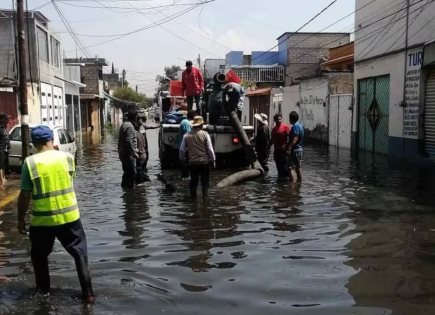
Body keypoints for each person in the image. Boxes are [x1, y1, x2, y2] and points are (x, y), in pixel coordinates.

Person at [16, 125, 95, 303]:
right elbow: (68, 180)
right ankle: (88, 295)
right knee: (80, 254)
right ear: (51, 139)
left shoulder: (30, 163)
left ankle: (43, 293)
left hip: (42, 220)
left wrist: (20, 220)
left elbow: (25, 195)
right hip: (70, 218)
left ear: (33, 143)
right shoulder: (68, 158)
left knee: (39, 256)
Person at [179, 116, 216, 199]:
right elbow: (210, 149)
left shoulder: (186, 135)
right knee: (205, 183)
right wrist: (213, 160)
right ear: (201, 125)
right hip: (204, 163)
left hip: (193, 163)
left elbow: (182, 150)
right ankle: (205, 200)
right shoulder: (205, 134)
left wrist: (183, 160)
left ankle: (193, 201)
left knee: (193, 183)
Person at [118, 106, 139, 189]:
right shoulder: (130, 126)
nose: (137, 119)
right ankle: (130, 193)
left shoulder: (124, 124)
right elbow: (128, 140)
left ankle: (125, 191)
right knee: (132, 173)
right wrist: (133, 152)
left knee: (126, 172)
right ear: (134, 117)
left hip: (123, 153)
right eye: (137, 118)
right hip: (128, 154)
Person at [270, 113, 290, 178]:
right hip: (276, 151)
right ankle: (280, 182)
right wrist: (268, 147)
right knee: (278, 168)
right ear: (275, 120)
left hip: (284, 151)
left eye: (280, 119)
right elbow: (272, 140)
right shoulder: (273, 130)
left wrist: (288, 147)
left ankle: (285, 183)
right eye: (277, 119)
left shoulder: (285, 127)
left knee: (285, 168)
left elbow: (290, 138)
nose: (279, 121)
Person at [177, 110, 195, 179]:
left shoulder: (185, 122)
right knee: (186, 167)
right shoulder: (186, 123)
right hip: (185, 148)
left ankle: (184, 180)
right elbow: (188, 137)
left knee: (185, 168)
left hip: (184, 147)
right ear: (193, 116)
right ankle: (185, 180)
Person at [287, 111, 304, 182]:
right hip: (300, 150)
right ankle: (299, 184)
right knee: (298, 168)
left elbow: (295, 138)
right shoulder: (300, 126)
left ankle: (292, 186)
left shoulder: (295, 126)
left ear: (291, 118)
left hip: (295, 150)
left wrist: (289, 147)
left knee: (289, 168)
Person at [134, 117, 150, 184]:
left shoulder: (135, 135)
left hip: (140, 156)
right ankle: (146, 183)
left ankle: (144, 182)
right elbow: (145, 145)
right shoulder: (142, 135)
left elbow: (135, 147)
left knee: (139, 173)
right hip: (144, 155)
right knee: (143, 170)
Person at [0, 113, 10, 189]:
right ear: (2, 119)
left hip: (5, 149)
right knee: (0, 165)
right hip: (1, 149)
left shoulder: (5, 127)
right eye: (6, 118)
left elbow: (6, 138)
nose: (8, 120)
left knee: (3, 165)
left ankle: (3, 178)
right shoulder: (0, 128)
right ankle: (1, 181)